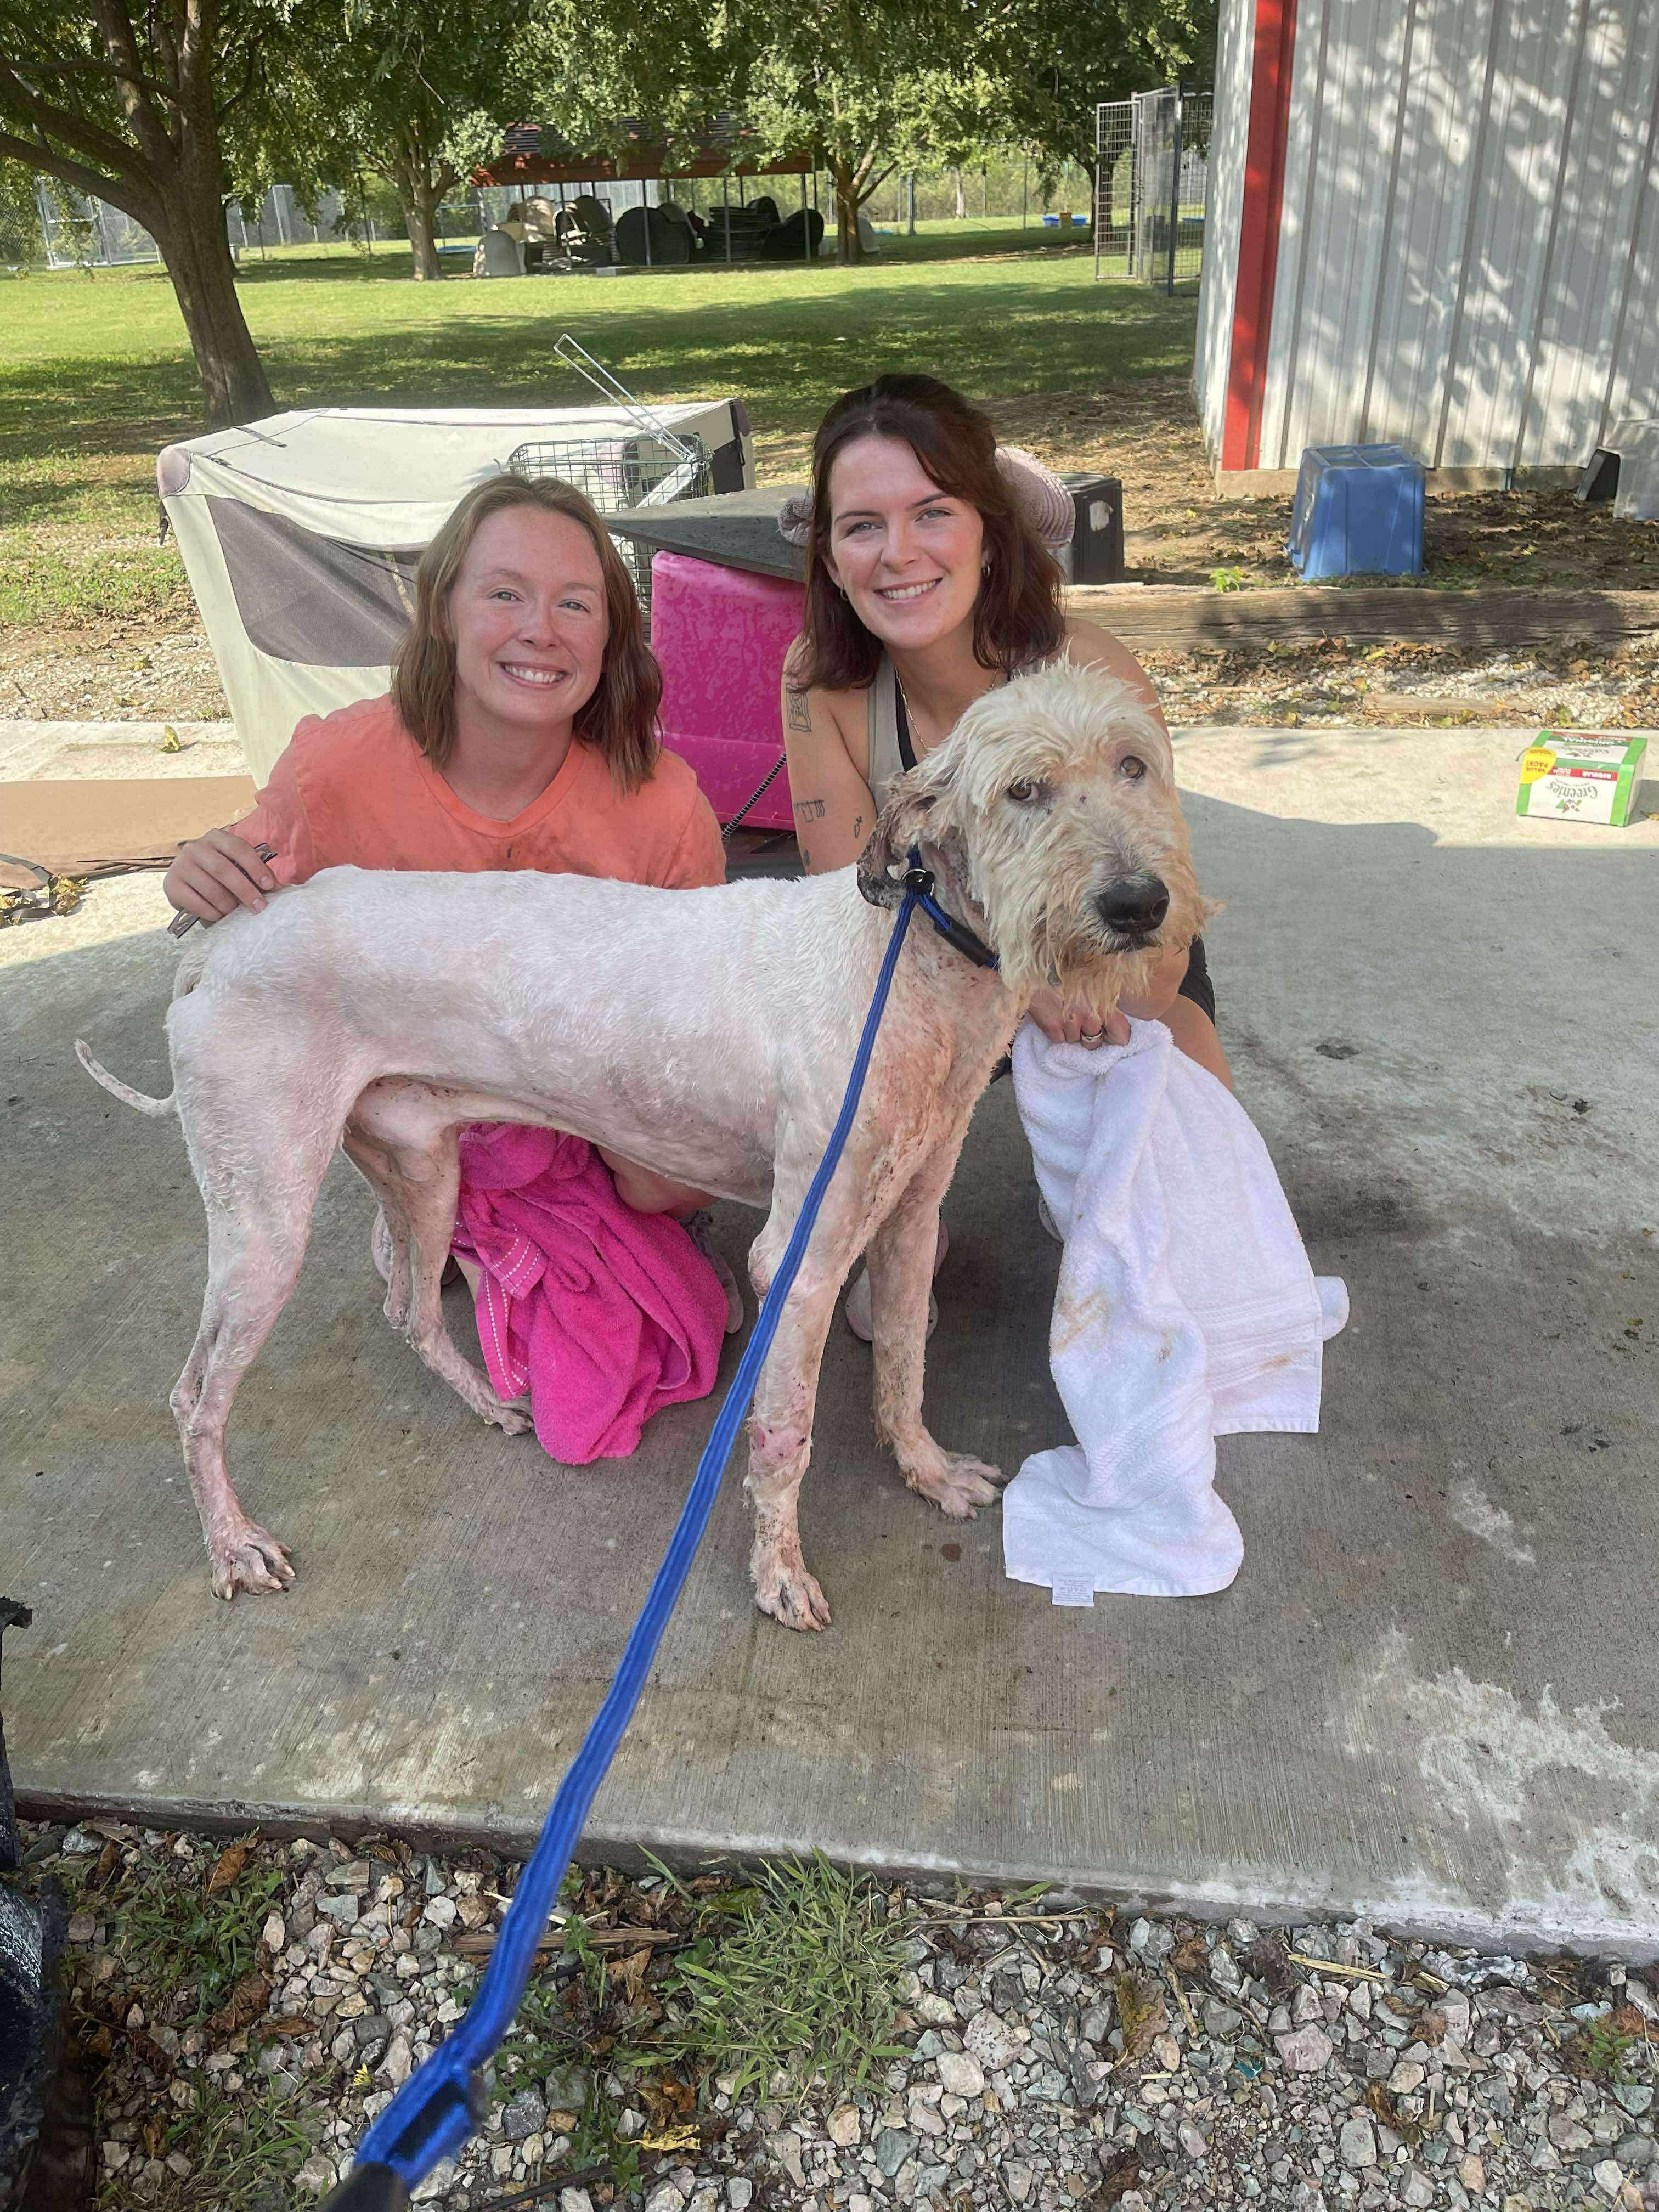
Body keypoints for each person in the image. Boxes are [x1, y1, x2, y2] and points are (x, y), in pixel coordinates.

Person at [163, 472, 743, 1330]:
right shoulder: (337, 768)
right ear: (442, 611)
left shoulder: (662, 806)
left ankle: (601, 1220)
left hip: (588, 1104)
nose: (540, 630)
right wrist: (204, 873)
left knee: (676, 1184)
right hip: (431, 1103)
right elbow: (250, 887)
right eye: (505, 594)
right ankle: (446, 1211)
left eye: (576, 604)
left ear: (613, 635)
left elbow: (703, 1018)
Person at [778, 372, 1229, 1334]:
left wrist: (1063, 979)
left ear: (988, 529)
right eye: (862, 526)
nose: (899, 553)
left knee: (1199, 1218)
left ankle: (1089, 1177)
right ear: (831, 556)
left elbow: (1158, 939)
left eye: (933, 513)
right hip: (929, 957)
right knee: (876, 1301)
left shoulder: (1090, 665)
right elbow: (850, 905)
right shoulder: (820, 682)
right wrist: (1019, 988)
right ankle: (907, 1215)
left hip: (1108, 940)